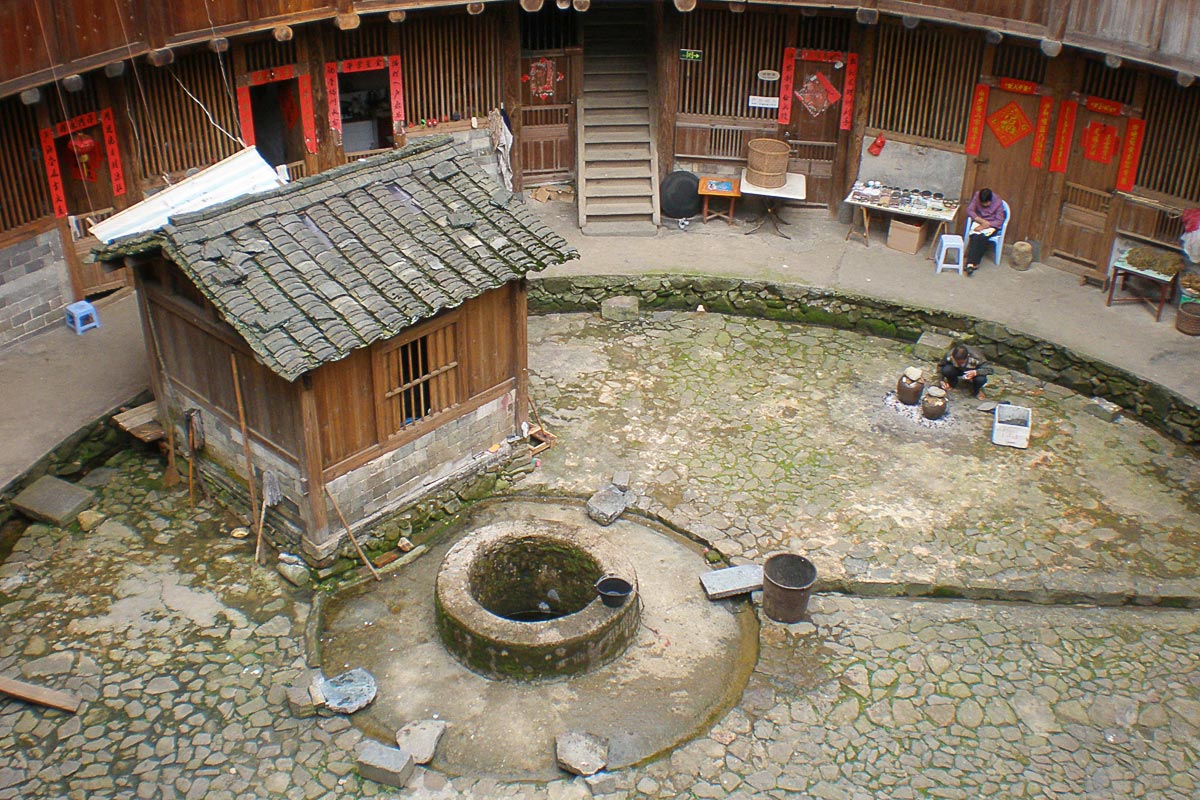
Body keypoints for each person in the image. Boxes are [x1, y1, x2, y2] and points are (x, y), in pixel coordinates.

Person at [963, 187, 1006, 276]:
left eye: (986, 203)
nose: (984, 205)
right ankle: (970, 264)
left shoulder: (998, 202)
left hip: (992, 224)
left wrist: (986, 225)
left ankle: (975, 263)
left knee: (982, 238)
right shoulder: (977, 196)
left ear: (990, 200)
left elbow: (999, 220)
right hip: (979, 221)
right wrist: (980, 221)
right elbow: (969, 210)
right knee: (975, 236)